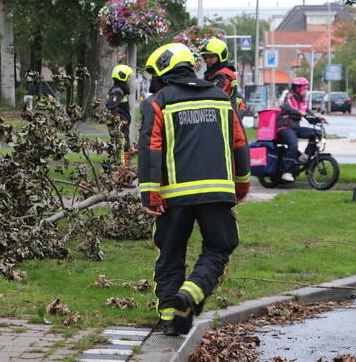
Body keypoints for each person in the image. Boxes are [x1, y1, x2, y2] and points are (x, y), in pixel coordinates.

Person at [138, 43, 250, 337]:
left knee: (171, 251)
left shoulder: (158, 101)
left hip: (175, 197)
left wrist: (150, 195)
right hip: (217, 193)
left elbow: (150, 149)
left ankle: (169, 318)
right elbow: (239, 144)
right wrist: (241, 186)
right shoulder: (220, 98)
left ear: (164, 68)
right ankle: (192, 292)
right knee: (219, 246)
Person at [276, 76, 325, 183]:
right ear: (297, 88)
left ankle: (305, 156)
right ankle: (287, 172)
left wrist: (318, 118)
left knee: (316, 133)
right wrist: (298, 112)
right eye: (304, 88)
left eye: (306, 88)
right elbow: (287, 107)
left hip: (295, 127)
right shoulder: (289, 96)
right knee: (293, 145)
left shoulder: (302, 100)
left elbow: (307, 112)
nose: (305, 90)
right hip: (285, 127)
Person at [105, 64, 134, 166]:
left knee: (124, 148)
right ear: (123, 77)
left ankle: (124, 173)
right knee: (121, 150)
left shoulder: (120, 90)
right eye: (129, 77)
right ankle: (122, 173)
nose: (130, 79)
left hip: (122, 127)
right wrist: (120, 121)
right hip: (119, 129)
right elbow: (110, 105)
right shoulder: (117, 92)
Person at [200, 38, 238, 109]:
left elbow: (212, 96)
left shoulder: (222, 75)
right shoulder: (214, 73)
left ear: (221, 56)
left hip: (222, 115)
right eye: (206, 57)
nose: (207, 60)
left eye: (211, 57)